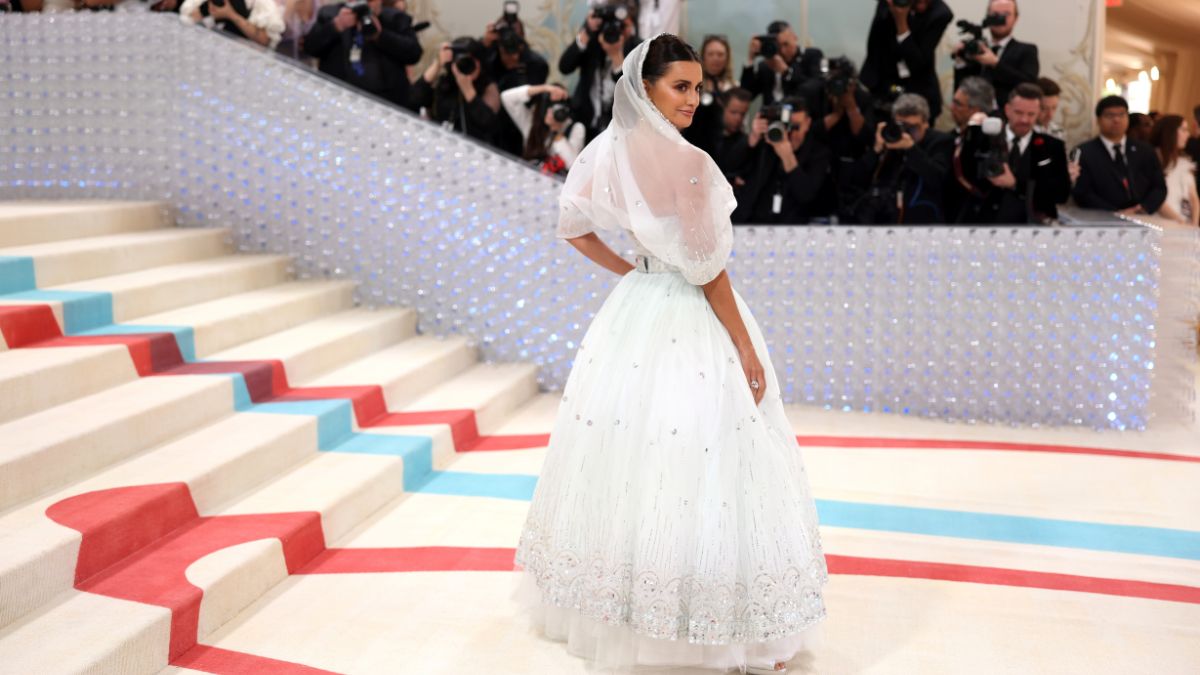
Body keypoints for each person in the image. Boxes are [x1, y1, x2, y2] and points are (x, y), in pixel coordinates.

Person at [514, 33, 828, 675]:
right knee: (704, 457)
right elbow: (710, 273)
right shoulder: (690, 164)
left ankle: (629, 607)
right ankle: (704, 619)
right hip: (687, 312)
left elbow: (572, 225)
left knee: (637, 455)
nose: (693, 98)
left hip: (638, 310)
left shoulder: (609, 150)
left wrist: (631, 271)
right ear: (646, 87)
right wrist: (745, 346)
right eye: (679, 86)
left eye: (696, 87)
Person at [956, 83, 1070, 224]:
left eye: (1031, 114)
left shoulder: (1053, 147)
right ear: (1007, 110)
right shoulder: (984, 139)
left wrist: (1016, 184)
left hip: (1029, 228)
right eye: (1019, 112)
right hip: (983, 223)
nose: (1024, 120)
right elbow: (963, 178)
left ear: (1039, 113)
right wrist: (971, 134)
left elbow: (1061, 194)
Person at [850, 92, 954, 224]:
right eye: (901, 126)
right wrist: (876, 150)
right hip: (884, 220)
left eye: (913, 127)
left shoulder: (941, 142)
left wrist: (911, 149)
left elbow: (938, 178)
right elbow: (857, 180)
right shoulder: (890, 139)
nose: (906, 132)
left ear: (926, 123)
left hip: (923, 220)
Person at [303, 0, 422, 109]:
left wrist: (381, 35)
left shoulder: (394, 18)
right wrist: (336, 26)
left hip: (385, 102)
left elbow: (414, 53)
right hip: (339, 99)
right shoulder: (330, 14)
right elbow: (310, 48)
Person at [732, 97, 832, 224]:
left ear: (807, 123)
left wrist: (787, 156)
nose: (789, 133)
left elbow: (806, 194)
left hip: (793, 227)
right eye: (785, 126)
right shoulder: (765, 144)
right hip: (752, 222)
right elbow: (730, 167)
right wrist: (753, 137)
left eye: (795, 127)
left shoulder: (819, 153)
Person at [558, 4, 643, 142]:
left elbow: (632, 91)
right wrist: (586, 31)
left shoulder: (637, 48)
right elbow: (564, 67)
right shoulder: (593, 41)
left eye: (621, 25)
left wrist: (616, 56)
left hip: (618, 128)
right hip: (585, 121)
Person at [1072, 96, 1167, 216]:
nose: (1116, 120)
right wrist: (1115, 212)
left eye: (1121, 114)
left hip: (1142, 217)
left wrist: (1144, 207)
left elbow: (1159, 187)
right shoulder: (1083, 152)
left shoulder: (1145, 150)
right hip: (1101, 219)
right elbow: (1082, 193)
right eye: (1110, 115)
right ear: (1098, 120)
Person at [860, 0, 954, 122]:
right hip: (882, 87)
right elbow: (875, 48)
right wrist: (893, 10)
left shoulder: (940, 14)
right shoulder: (890, 4)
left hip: (917, 90)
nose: (922, 3)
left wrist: (901, 23)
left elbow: (917, 62)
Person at [409, 37, 501, 144]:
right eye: (462, 61)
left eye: (471, 61)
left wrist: (468, 91)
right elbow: (412, 100)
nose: (466, 65)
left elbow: (488, 124)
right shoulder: (444, 83)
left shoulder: (489, 87)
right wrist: (437, 64)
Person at [952, 0, 1038, 111]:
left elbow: (1029, 85)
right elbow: (962, 88)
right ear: (988, 17)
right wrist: (960, 61)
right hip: (973, 114)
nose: (1000, 19)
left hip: (1007, 116)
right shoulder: (977, 48)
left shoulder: (1026, 50)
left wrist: (995, 63)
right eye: (995, 15)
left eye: (1006, 14)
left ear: (1015, 18)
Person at [499, 83, 586, 174]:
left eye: (558, 105)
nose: (551, 110)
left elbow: (573, 166)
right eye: (549, 104)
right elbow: (506, 97)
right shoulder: (531, 123)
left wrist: (557, 132)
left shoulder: (576, 128)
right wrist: (544, 88)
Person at [741, 20, 823, 107]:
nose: (783, 51)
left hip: (800, 115)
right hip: (770, 117)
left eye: (786, 44)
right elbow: (746, 96)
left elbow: (816, 90)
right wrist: (750, 60)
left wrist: (786, 72)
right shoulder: (766, 66)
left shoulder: (811, 56)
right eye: (778, 46)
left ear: (795, 37)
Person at [1149, 115, 1199, 226]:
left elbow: (1193, 197)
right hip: (1160, 221)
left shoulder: (1184, 162)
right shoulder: (1153, 158)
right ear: (1170, 132)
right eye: (1184, 130)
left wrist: (1194, 223)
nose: (1188, 135)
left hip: (1184, 221)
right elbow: (1156, 198)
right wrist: (1180, 221)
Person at [180, 0, 285, 49]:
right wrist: (207, 9)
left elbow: (265, 40)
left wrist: (230, 15)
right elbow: (188, 18)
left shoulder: (263, 3)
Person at [1034, 76, 1065, 140]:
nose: (1050, 115)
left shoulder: (1058, 131)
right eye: (1044, 109)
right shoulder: (1022, 132)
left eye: (1054, 108)